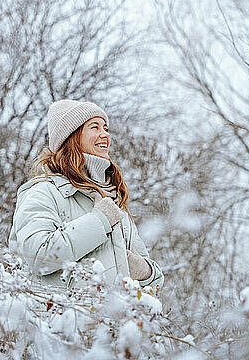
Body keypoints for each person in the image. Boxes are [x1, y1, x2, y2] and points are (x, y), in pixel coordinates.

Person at [9, 99, 164, 291]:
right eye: (95, 127)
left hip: (115, 320)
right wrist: (99, 221)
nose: (105, 134)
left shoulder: (111, 198)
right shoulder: (44, 191)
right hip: (65, 319)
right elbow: (38, 256)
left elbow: (156, 282)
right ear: (72, 137)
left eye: (105, 128)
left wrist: (142, 270)